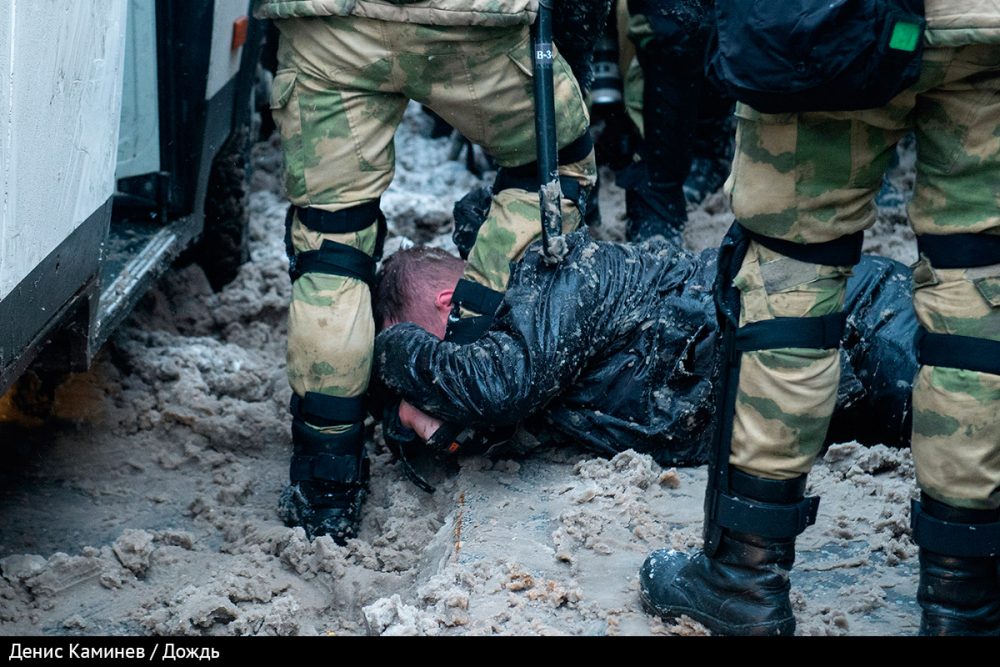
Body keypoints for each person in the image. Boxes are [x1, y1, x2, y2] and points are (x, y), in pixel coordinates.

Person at [638, 1, 1000, 636]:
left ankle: (745, 576)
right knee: (980, 286)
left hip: (829, 18)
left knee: (790, 278)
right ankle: (964, 603)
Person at [254, 0, 600, 543]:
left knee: (331, 247)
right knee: (553, 174)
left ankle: (326, 487)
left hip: (329, 24)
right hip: (469, 20)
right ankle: (467, 375)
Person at [372, 232, 918, 466]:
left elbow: (497, 389)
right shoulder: (520, 354)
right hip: (822, 373)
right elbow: (454, 434)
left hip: (862, 318)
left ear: (448, 304)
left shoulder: (551, 276)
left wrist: (396, 350)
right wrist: (425, 422)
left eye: (423, 341)